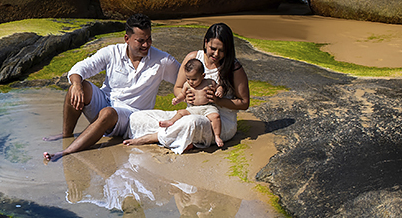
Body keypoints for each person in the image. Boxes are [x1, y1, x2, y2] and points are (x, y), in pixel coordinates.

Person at [44, 14, 179, 162]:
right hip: (106, 102)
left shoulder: (163, 60)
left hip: (132, 116)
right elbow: (80, 68)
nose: (146, 45)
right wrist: (76, 85)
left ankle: (66, 151)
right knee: (78, 87)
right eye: (141, 41)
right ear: (127, 39)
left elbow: (184, 79)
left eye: (149, 39)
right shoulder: (112, 52)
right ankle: (66, 134)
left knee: (108, 113)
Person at [124, 22, 251, 154]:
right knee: (137, 117)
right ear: (206, 42)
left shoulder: (234, 68)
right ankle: (178, 136)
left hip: (218, 121)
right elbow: (178, 87)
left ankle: (153, 137)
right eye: (213, 48)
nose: (216, 54)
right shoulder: (193, 58)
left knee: (192, 123)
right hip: (191, 112)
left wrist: (218, 101)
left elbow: (244, 103)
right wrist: (185, 97)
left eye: (222, 50)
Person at [159, 57, 226, 148]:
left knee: (215, 117)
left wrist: (219, 90)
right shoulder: (186, 85)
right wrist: (177, 99)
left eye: (194, 79)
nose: (191, 82)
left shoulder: (209, 82)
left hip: (208, 107)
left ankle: (217, 136)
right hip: (193, 108)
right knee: (181, 112)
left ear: (202, 76)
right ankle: (170, 122)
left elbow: (219, 86)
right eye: (188, 79)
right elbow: (183, 94)